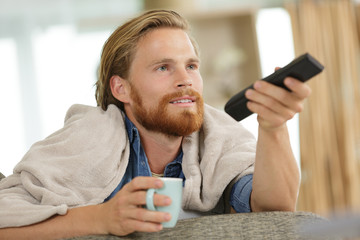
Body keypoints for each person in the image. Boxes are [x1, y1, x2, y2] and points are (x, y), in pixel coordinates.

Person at [0, 9, 310, 239]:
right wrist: (101, 218)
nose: (185, 79)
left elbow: (276, 211)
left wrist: (273, 126)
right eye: (163, 67)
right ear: (121, 89)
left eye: (191, 66)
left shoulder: (221, 137)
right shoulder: (85, 139)